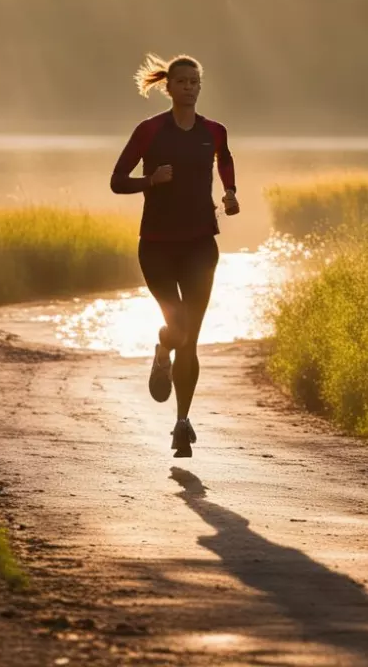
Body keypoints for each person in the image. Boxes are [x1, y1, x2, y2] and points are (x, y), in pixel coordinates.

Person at [110, 53, 239, 458]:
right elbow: (116, 181)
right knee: (177, 327)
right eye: (181, 82)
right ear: (168, 87)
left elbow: (226, 159)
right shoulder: (149, 131)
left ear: (200, 87)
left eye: (194, 82)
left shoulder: (213, 131)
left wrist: (230, 193)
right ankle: (161, 349)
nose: (189, 88)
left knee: (192, 339)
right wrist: (151, 180)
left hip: (201, 243)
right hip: (158, 245)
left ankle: (181, 423)